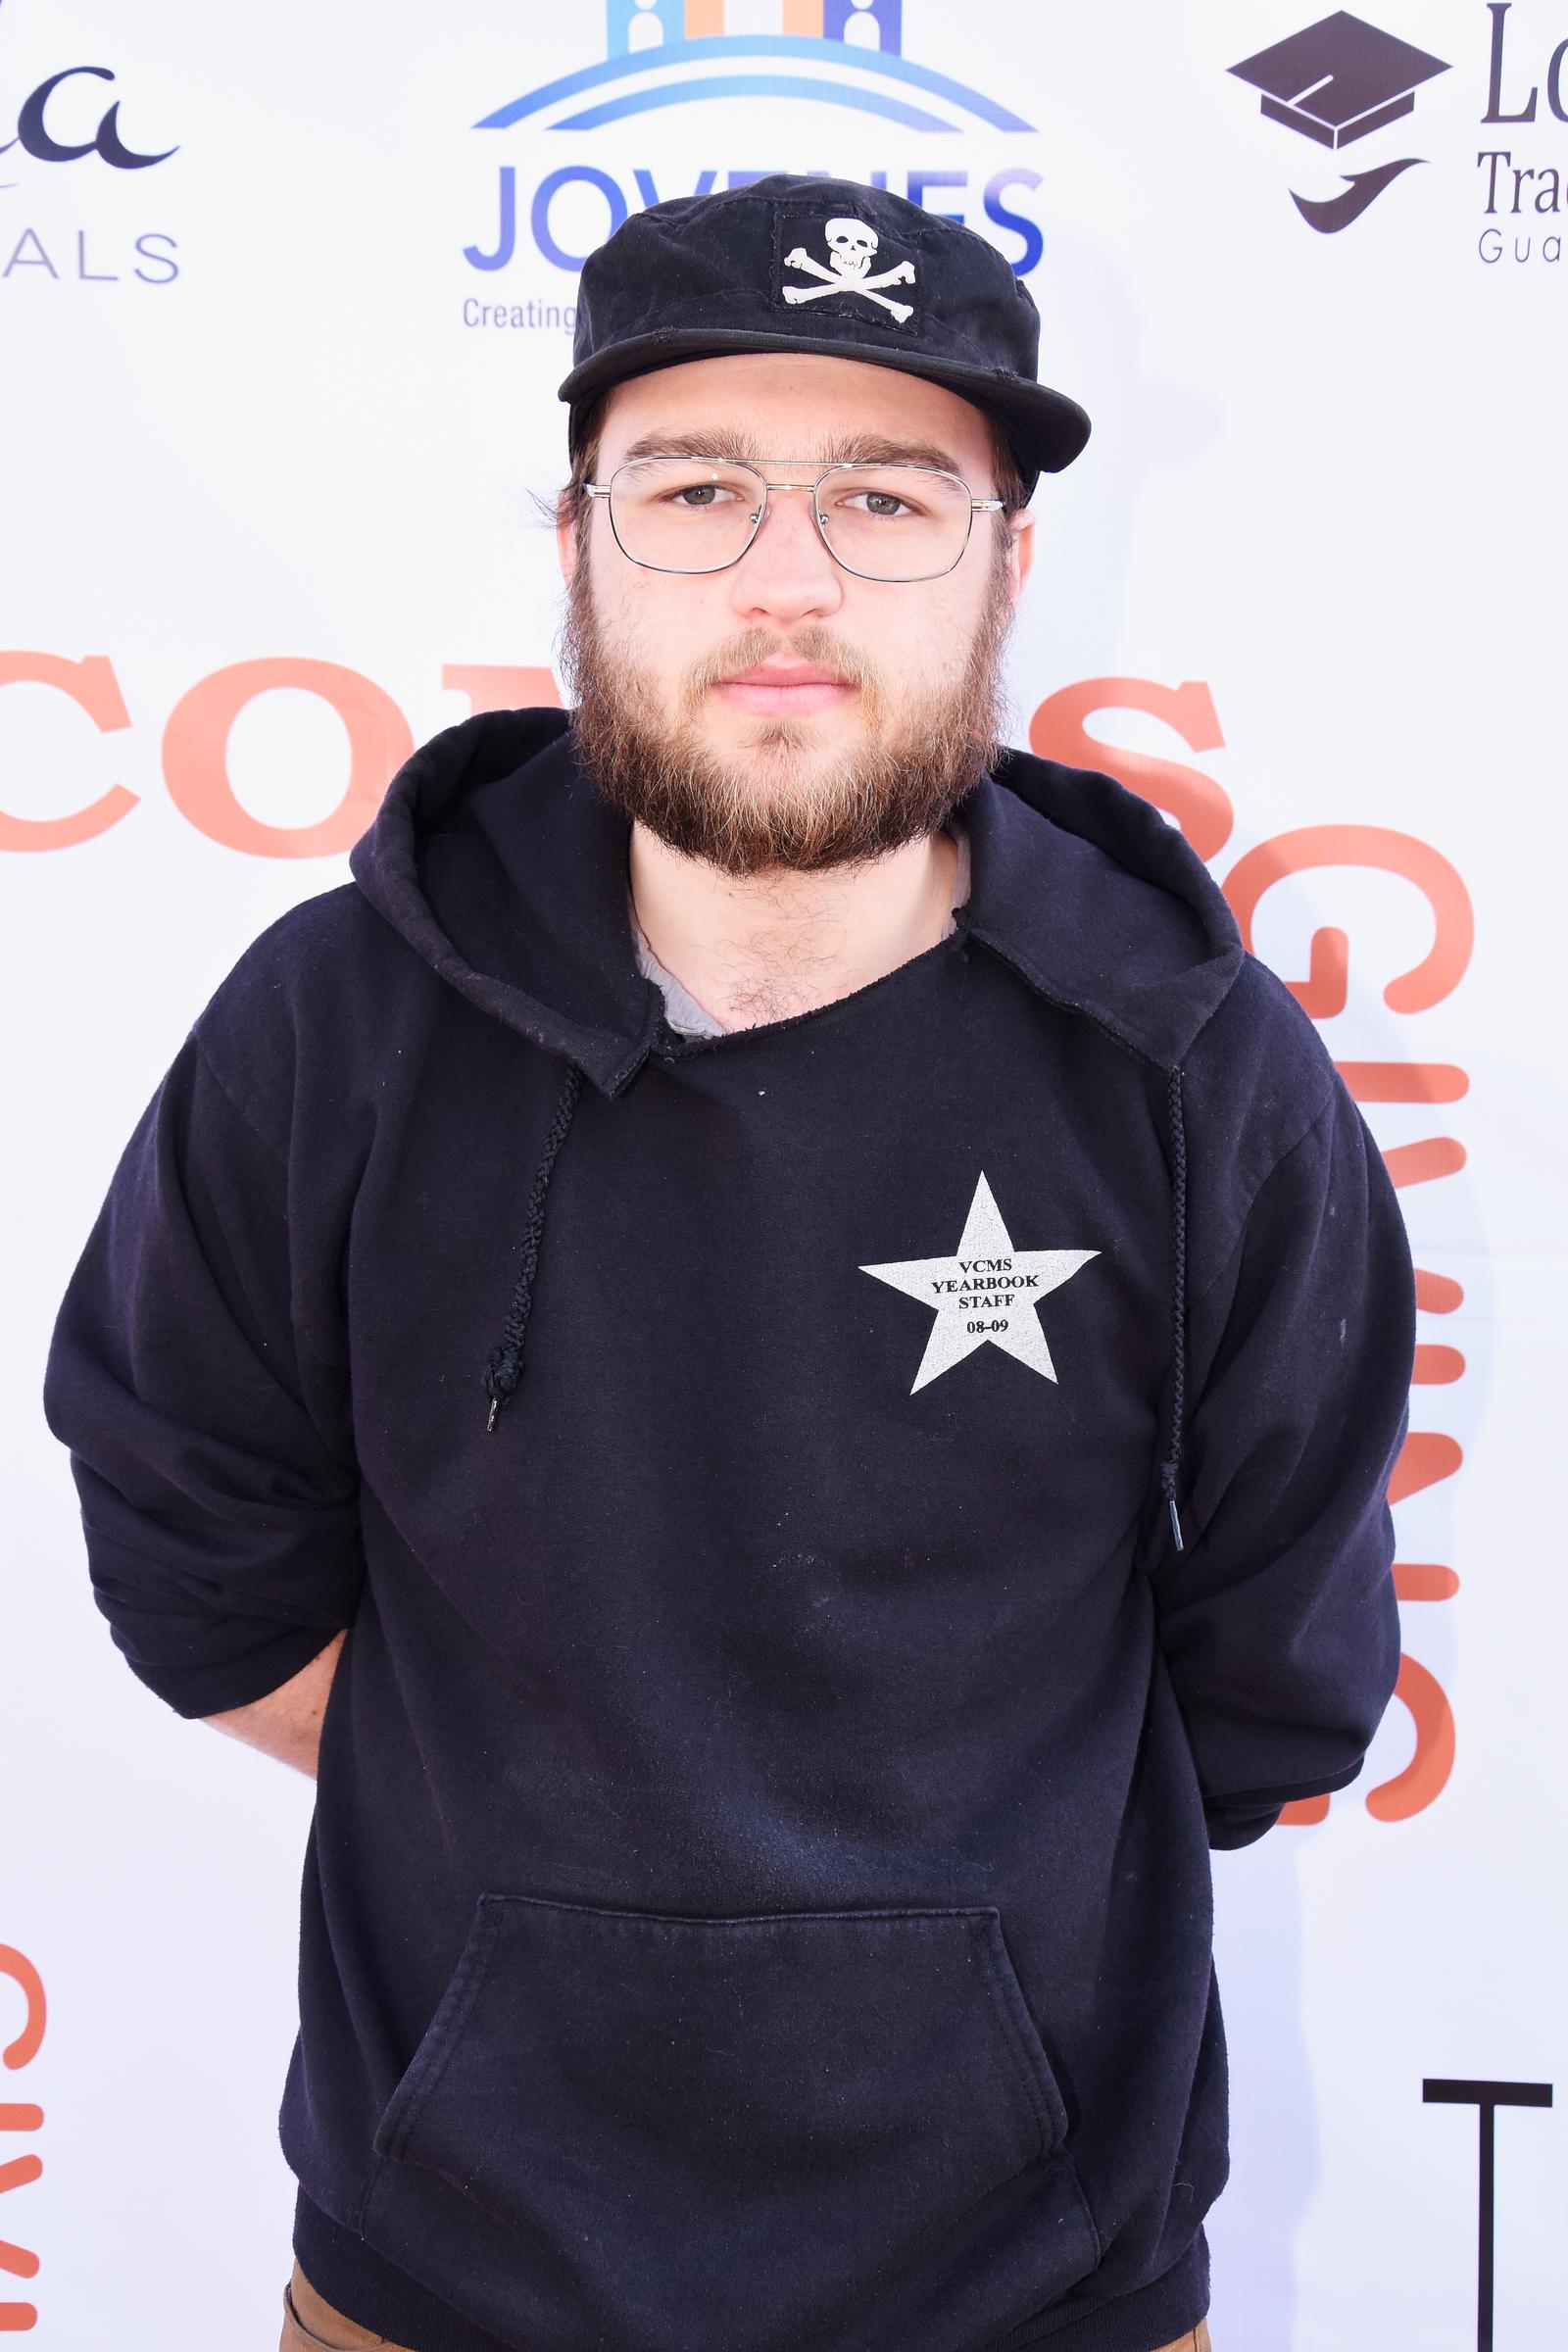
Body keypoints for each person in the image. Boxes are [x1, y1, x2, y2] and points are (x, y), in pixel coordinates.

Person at [41, 175, 1415, 2352]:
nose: (787, 581)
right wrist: (531, 1845)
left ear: (1005, 566)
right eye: (695, 489)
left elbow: (1268, 1689)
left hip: (1038, 2281)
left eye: (886, 497)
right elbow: (192, 1552)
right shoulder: (339, 1022)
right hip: (443, 2277)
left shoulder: (1192, 1069)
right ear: (578, 539)